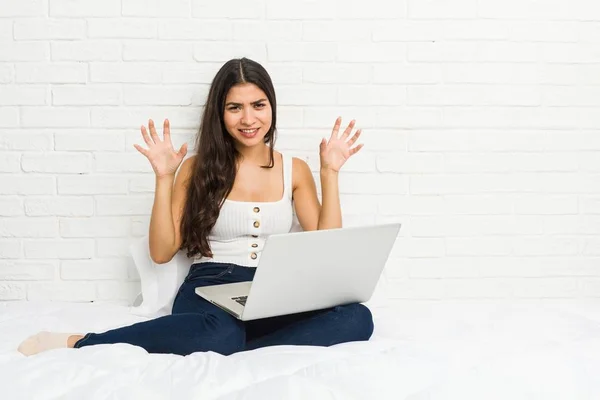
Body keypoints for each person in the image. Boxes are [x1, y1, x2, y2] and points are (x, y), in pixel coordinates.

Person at [17, 58, 373, 357]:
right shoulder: (196, 167)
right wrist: (163, 178)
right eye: (235, 107)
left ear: (271, 107)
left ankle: (237, 345)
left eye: (258, 105)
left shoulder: (293, 169)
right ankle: (82, 341)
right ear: (221, 113)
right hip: (210, 287)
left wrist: (329, 172)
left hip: (273, 288)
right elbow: (160, 252)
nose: (248, 119)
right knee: (218, 333)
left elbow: (326, 251)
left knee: (358, 318)